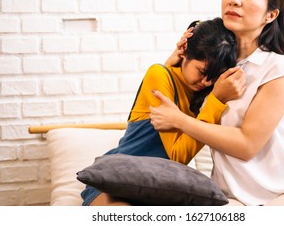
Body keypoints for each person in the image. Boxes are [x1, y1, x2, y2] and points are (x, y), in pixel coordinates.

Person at [149, 0, 284, 206]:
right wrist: (174, 61)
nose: (235, 0)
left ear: (270, 15)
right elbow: (160, 113)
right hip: (232, 196)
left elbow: (248, 145)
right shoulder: (210, 66)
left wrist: (180, 120)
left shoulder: (277, 67)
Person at [81, 17, 241, 205]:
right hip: (118, 180)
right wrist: (216, 100)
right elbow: (177, 155)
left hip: (160, 186)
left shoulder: (203, 97)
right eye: (202, 71)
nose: (206, 82)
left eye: (214, 77)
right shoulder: (159, 74)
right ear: (186, 53)